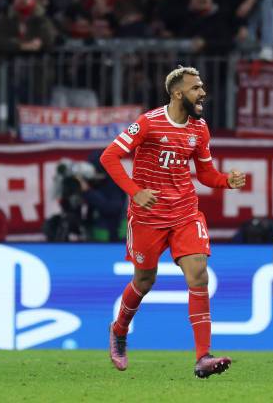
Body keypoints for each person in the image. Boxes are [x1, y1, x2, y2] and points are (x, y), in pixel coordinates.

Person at [100, 66, 246, 378]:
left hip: (184, 212)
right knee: (144, 281)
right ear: (178, 93)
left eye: (202, 86)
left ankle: (203, 357)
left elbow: (206, 174)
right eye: (196, 88)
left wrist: (225, 181)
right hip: (147, 218)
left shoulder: (199, 128)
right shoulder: (149, 123)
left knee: (199, 276)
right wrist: (135, 192)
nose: (202, 93)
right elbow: (109, 157)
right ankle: (119, 330)